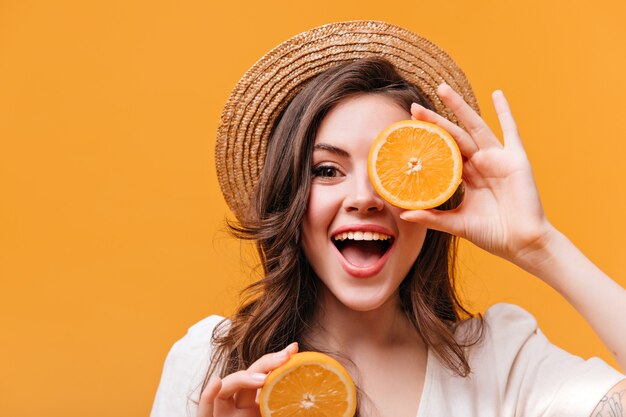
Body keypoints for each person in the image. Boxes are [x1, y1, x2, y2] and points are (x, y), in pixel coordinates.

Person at [151, 21, 626, 417]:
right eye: (327, 170)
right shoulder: (211, 364)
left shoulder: (500, 361)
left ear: (432, 199)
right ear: (289, 196)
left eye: (391, 172)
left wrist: (539, 245)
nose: (364, 198)